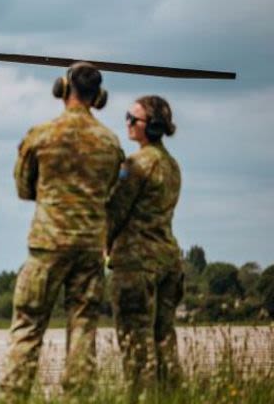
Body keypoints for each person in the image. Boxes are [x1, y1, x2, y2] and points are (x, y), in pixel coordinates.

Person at [2, 62, 125, 398]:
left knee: (28, 324)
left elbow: (24, 190)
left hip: (48, 244)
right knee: (84, 327)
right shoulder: (111, 142)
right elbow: (112, 193)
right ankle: (79, 396)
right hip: (89, 247)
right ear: (98, 96)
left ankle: (14, 395)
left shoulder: (41, 135)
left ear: (63, 89)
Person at [106, 96, 183, 397]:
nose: (127, 122)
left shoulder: (137, 164)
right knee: (165, 343)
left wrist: (103, 242)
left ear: (150, 126)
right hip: (168, 262)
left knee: (136, 347)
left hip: (137, 265)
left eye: (132, 118)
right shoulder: (171, 164)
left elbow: (116, 210)